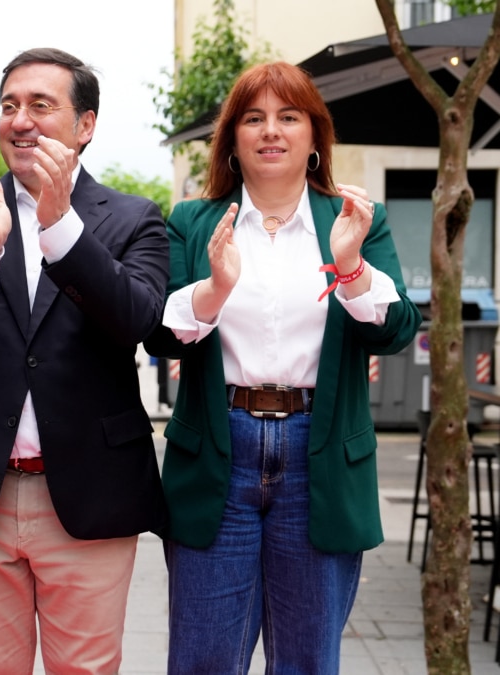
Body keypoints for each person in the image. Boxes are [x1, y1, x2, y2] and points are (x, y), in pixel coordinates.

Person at [0, 47, 169, 674]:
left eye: (41, 105)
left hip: (90, 496)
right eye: (9, 106)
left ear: (86, 125)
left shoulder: (133, 219)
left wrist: (62, 228)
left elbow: (141, 321)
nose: (21, 120)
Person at [144, 61, 422, 673]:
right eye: (254, 118)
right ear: (233, 140)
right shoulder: (192, 221)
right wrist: (213, 289)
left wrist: (350, 266)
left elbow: (398, 330)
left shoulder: (354, 219)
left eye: (288, 117)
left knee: (306, 661)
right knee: (203, 659)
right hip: (219, 446)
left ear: (314, 136)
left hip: (318, 452)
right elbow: (159, 337)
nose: (271, 131)